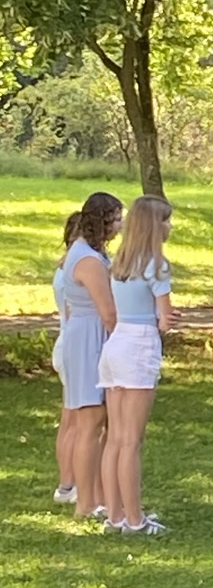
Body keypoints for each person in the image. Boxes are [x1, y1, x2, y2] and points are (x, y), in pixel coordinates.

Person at [97, 194, 174, 536]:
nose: (169, 226)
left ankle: (116, 514)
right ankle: (135, 519)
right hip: (140, 344)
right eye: (166, 220)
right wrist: (169, 319)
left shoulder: (120, 263)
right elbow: (165, 317)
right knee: (131, 440)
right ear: (153, 226)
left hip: (115, 345)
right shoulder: (157, 265)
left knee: (115, 437)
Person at [55, 190, 122, 522]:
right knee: (90, 422)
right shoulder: (88, 260)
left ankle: (98, 498)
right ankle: (85, 502)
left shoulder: (86, 253)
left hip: (85, 333)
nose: (120, 227)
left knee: (94, 422)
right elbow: (108, 312)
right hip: (89, 339)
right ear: (103, 219)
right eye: (117, 219)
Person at [51, 211, 83, 505]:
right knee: (75, 419)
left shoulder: (64, 269)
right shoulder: (76, 270)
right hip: (74, 346)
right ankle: (69, 483)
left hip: (66, 344)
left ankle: (67, 483)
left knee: (69, 418)